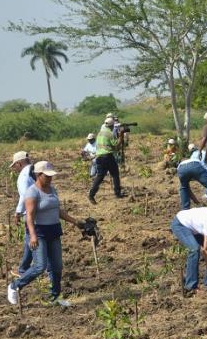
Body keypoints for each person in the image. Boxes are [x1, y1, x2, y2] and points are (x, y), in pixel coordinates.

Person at [7, 161, 83, 307]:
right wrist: (33, 235)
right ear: (38, 175)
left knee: (57, 266)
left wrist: (75, 222)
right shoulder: (32, 192)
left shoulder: (53, 190)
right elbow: (29, 215)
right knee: (39, 266)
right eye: (46, 176)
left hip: (53, 231)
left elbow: (58, 211)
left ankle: (55, 297)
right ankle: (15, 286)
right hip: (39, 233)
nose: (50, 179)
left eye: (51, 176)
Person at [11, 151, 37, 275]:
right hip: (41, 209)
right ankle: (24, 267)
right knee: (30, 238)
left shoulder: (23, 175)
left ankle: (25, 268)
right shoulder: (35, 170)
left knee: (31, 237)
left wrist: (18, 212)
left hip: (31, 212)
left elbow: (25, 196)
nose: (15, 169)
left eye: (15, 165)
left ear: (19, 163)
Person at [88, 117, 124, 204]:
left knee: (100, 176)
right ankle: (117, 193)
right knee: (115, 174)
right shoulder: (109, 133)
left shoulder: (100, 134)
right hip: (107, 156)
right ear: (112, 126)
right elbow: (116, 146)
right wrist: (121, 136)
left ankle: (91, 194)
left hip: (99, 157)